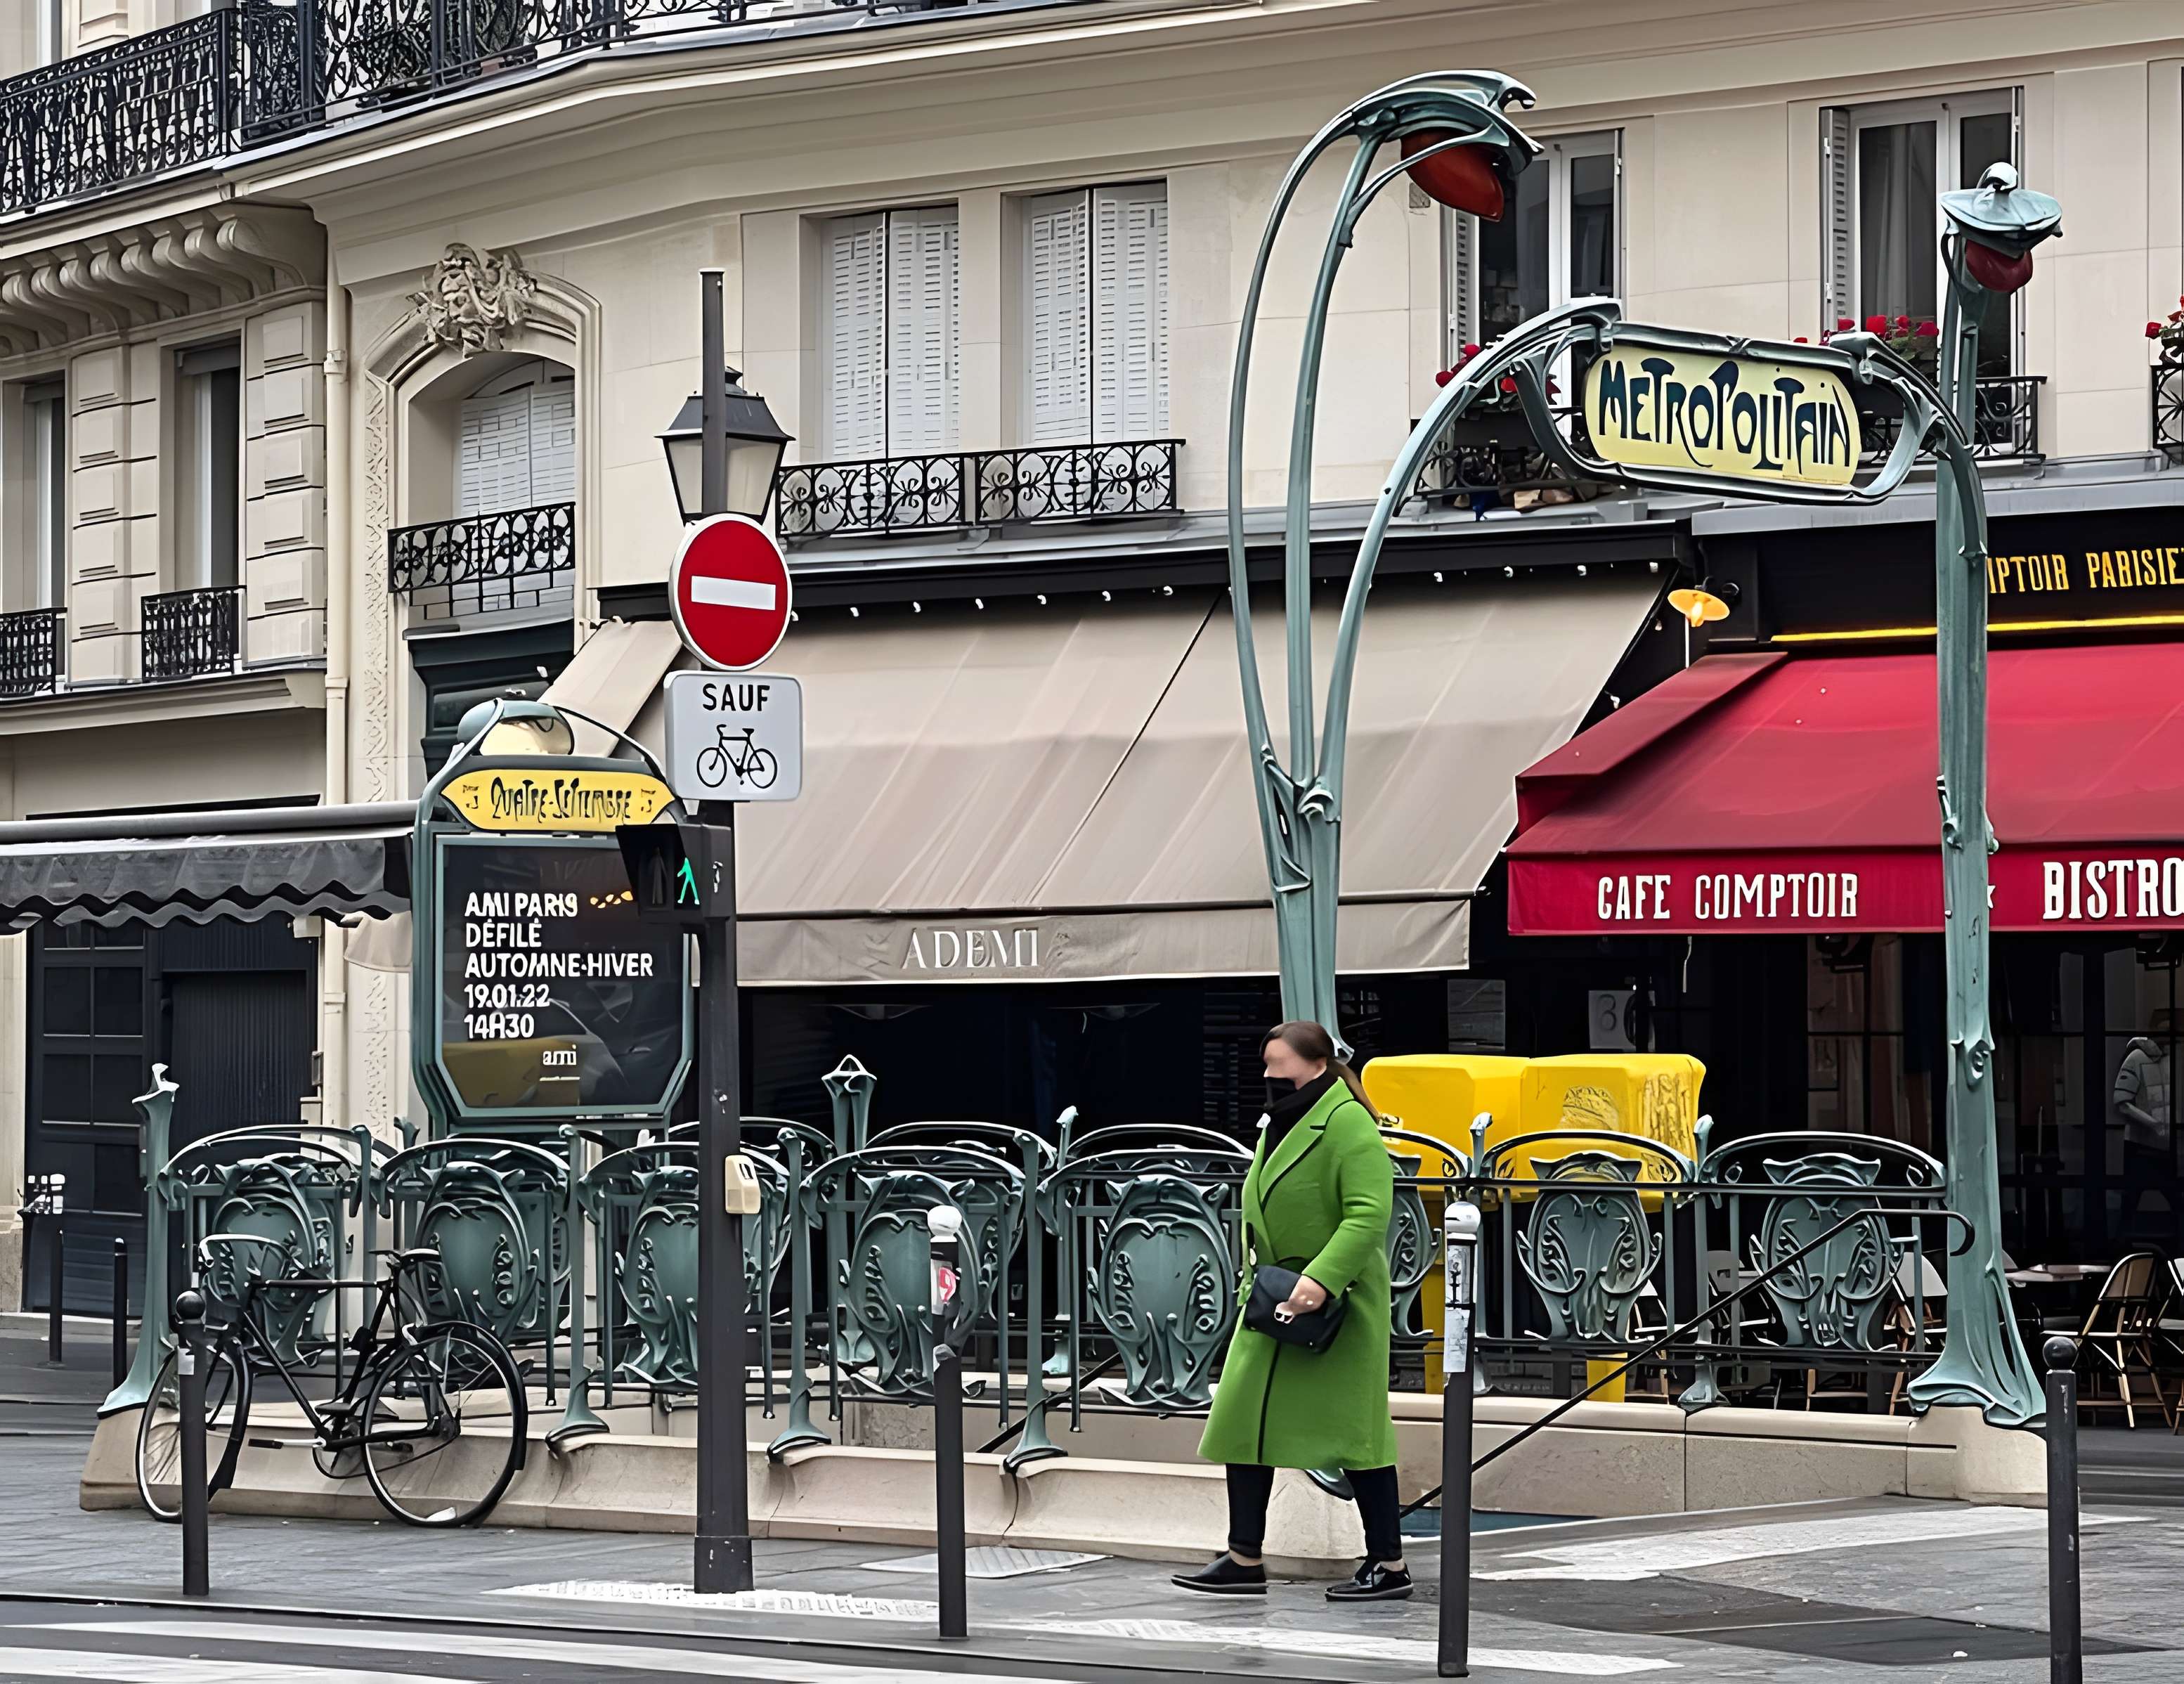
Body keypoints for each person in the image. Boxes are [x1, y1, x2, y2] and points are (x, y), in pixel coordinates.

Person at [1175, 1020, 1406, 1602]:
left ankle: (1390, 1564)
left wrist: (1322, 1280)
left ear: (1317, 1066)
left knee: (1358, 1439)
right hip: (1274, 1299)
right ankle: (1243, 1557)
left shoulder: (1348, 1123)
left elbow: (1367, 1215)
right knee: (1241, 1426)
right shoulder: (1281, 1121)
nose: (1269, 1076)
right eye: (1267, 1064)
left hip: (1337, 1306)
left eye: (1279, 1065)